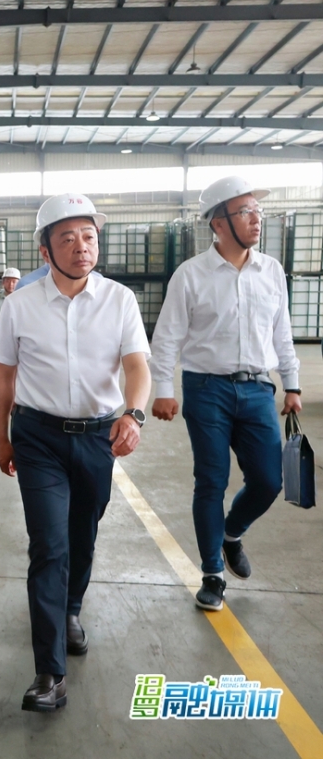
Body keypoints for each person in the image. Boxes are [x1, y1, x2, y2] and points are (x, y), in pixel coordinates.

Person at [0, 193, 151, 713]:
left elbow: (137, 366)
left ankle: (71, 607)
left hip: (98, 437)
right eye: (68, 238)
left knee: (82, 534)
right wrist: (1, 438)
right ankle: (49, 672)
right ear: (45, 250)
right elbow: (4, 378)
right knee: (49, 545)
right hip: (38, 437)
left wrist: (134, 414)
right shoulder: (19, 306)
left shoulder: (119, 300)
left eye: (89, 237)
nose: (82, 247)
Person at [149, 176, 300, 612]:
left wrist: (292, 383)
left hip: (257, 389)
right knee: (211, 480)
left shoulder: (271, 271)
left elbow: (282, 332)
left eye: (258, 211)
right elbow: (167, 337)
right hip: (206, 389)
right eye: (246, 212)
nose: (256, 219)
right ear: (218, 223)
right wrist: (163, 389)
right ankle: (213, 573)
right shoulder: (190, 275)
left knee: (269, 480)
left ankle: (231, 533)